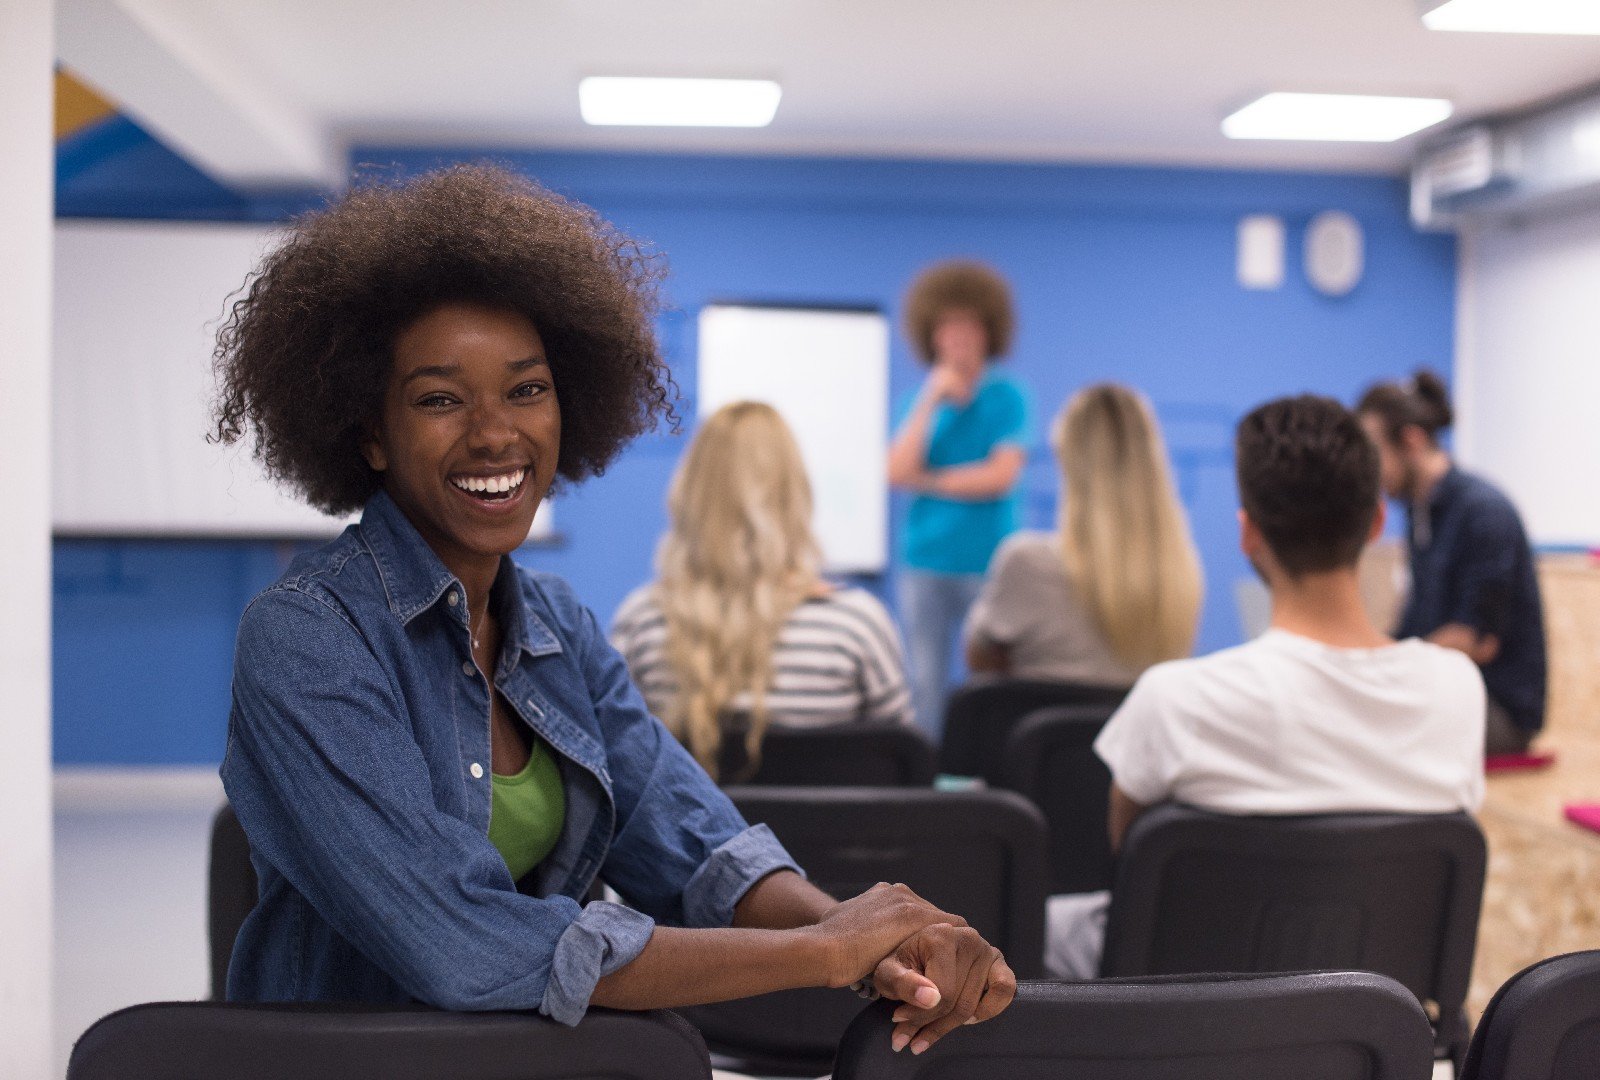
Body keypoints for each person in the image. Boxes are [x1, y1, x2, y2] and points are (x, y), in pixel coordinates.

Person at [211, 165, 1013, 1052]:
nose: (494, 433)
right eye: (440, 399)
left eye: (527, 389)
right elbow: (464, 946)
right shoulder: (307, 636)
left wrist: (878, 948)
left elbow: (701, 850)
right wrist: (824, 952)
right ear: (367, 430)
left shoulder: (555, 626)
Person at [1045, 394, 1485, 980]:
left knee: (1041, 925)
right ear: (1377, 521)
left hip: (1188, 1025)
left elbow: (1131, 866)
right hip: (1372, 1022)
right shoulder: (1457, 688)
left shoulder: (1177, 700)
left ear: (1248, 533)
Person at [611, 401, 913, 782]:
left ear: (691, 493)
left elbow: (618, 774)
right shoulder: (857, 626)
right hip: (827, 844)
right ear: (796, 495)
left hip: (690, 845)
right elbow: (904, 775)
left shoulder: (641, 624)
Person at [1356, 370, 1546, 755]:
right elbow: (1415, 627)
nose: (1372, 473)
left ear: (1411, 440)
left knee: (1369, 734)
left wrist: (1385, 668)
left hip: (1498, 711)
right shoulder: (1419, 512)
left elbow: (1476, 641)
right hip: (1444, 696)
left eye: (1375, 454)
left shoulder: (1484, 512)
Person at [964, 383, 1202, 686]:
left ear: (1068, 461)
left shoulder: (1026, 562)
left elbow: (979, 658)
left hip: (1043, 733)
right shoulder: (1180, 575)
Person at [887, 260, 1032, 737]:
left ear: (990, 331)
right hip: (925, 563)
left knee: (989, 681)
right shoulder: (919, 399)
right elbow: (895, 470)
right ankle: (927, 781)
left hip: (988, 564)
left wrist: (927, 480)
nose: (957, 336)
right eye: (947, 325)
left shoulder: (1009, 395)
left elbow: (999, 476)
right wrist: (931, 399)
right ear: (931, 333)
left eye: (968, 325)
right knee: (924, 682)